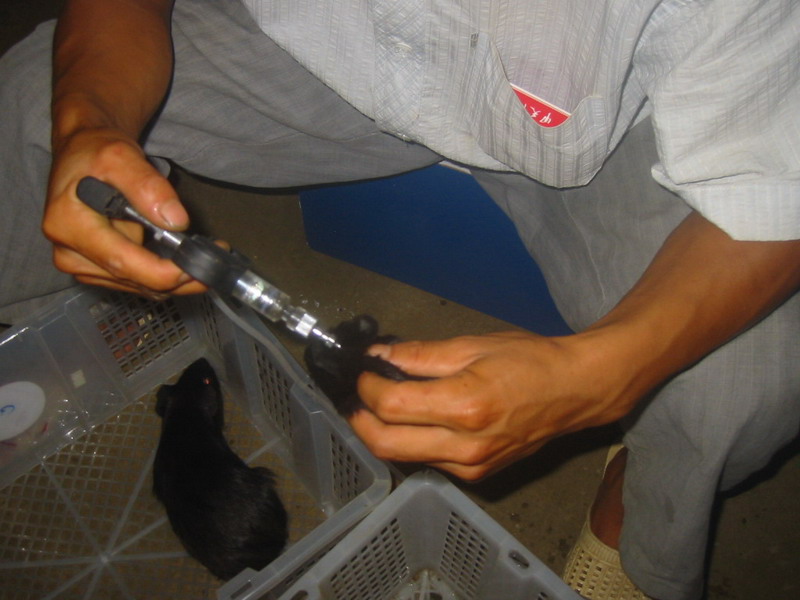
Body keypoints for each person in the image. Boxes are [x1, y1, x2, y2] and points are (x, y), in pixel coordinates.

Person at [0, 1, 797, 598]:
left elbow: (778, 188)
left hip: (610, 115)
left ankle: (638, 525)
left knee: (739, 380)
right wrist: (90, 119)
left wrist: (605, 378)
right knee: (33, 110)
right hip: (325, 51)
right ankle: (52, 332)